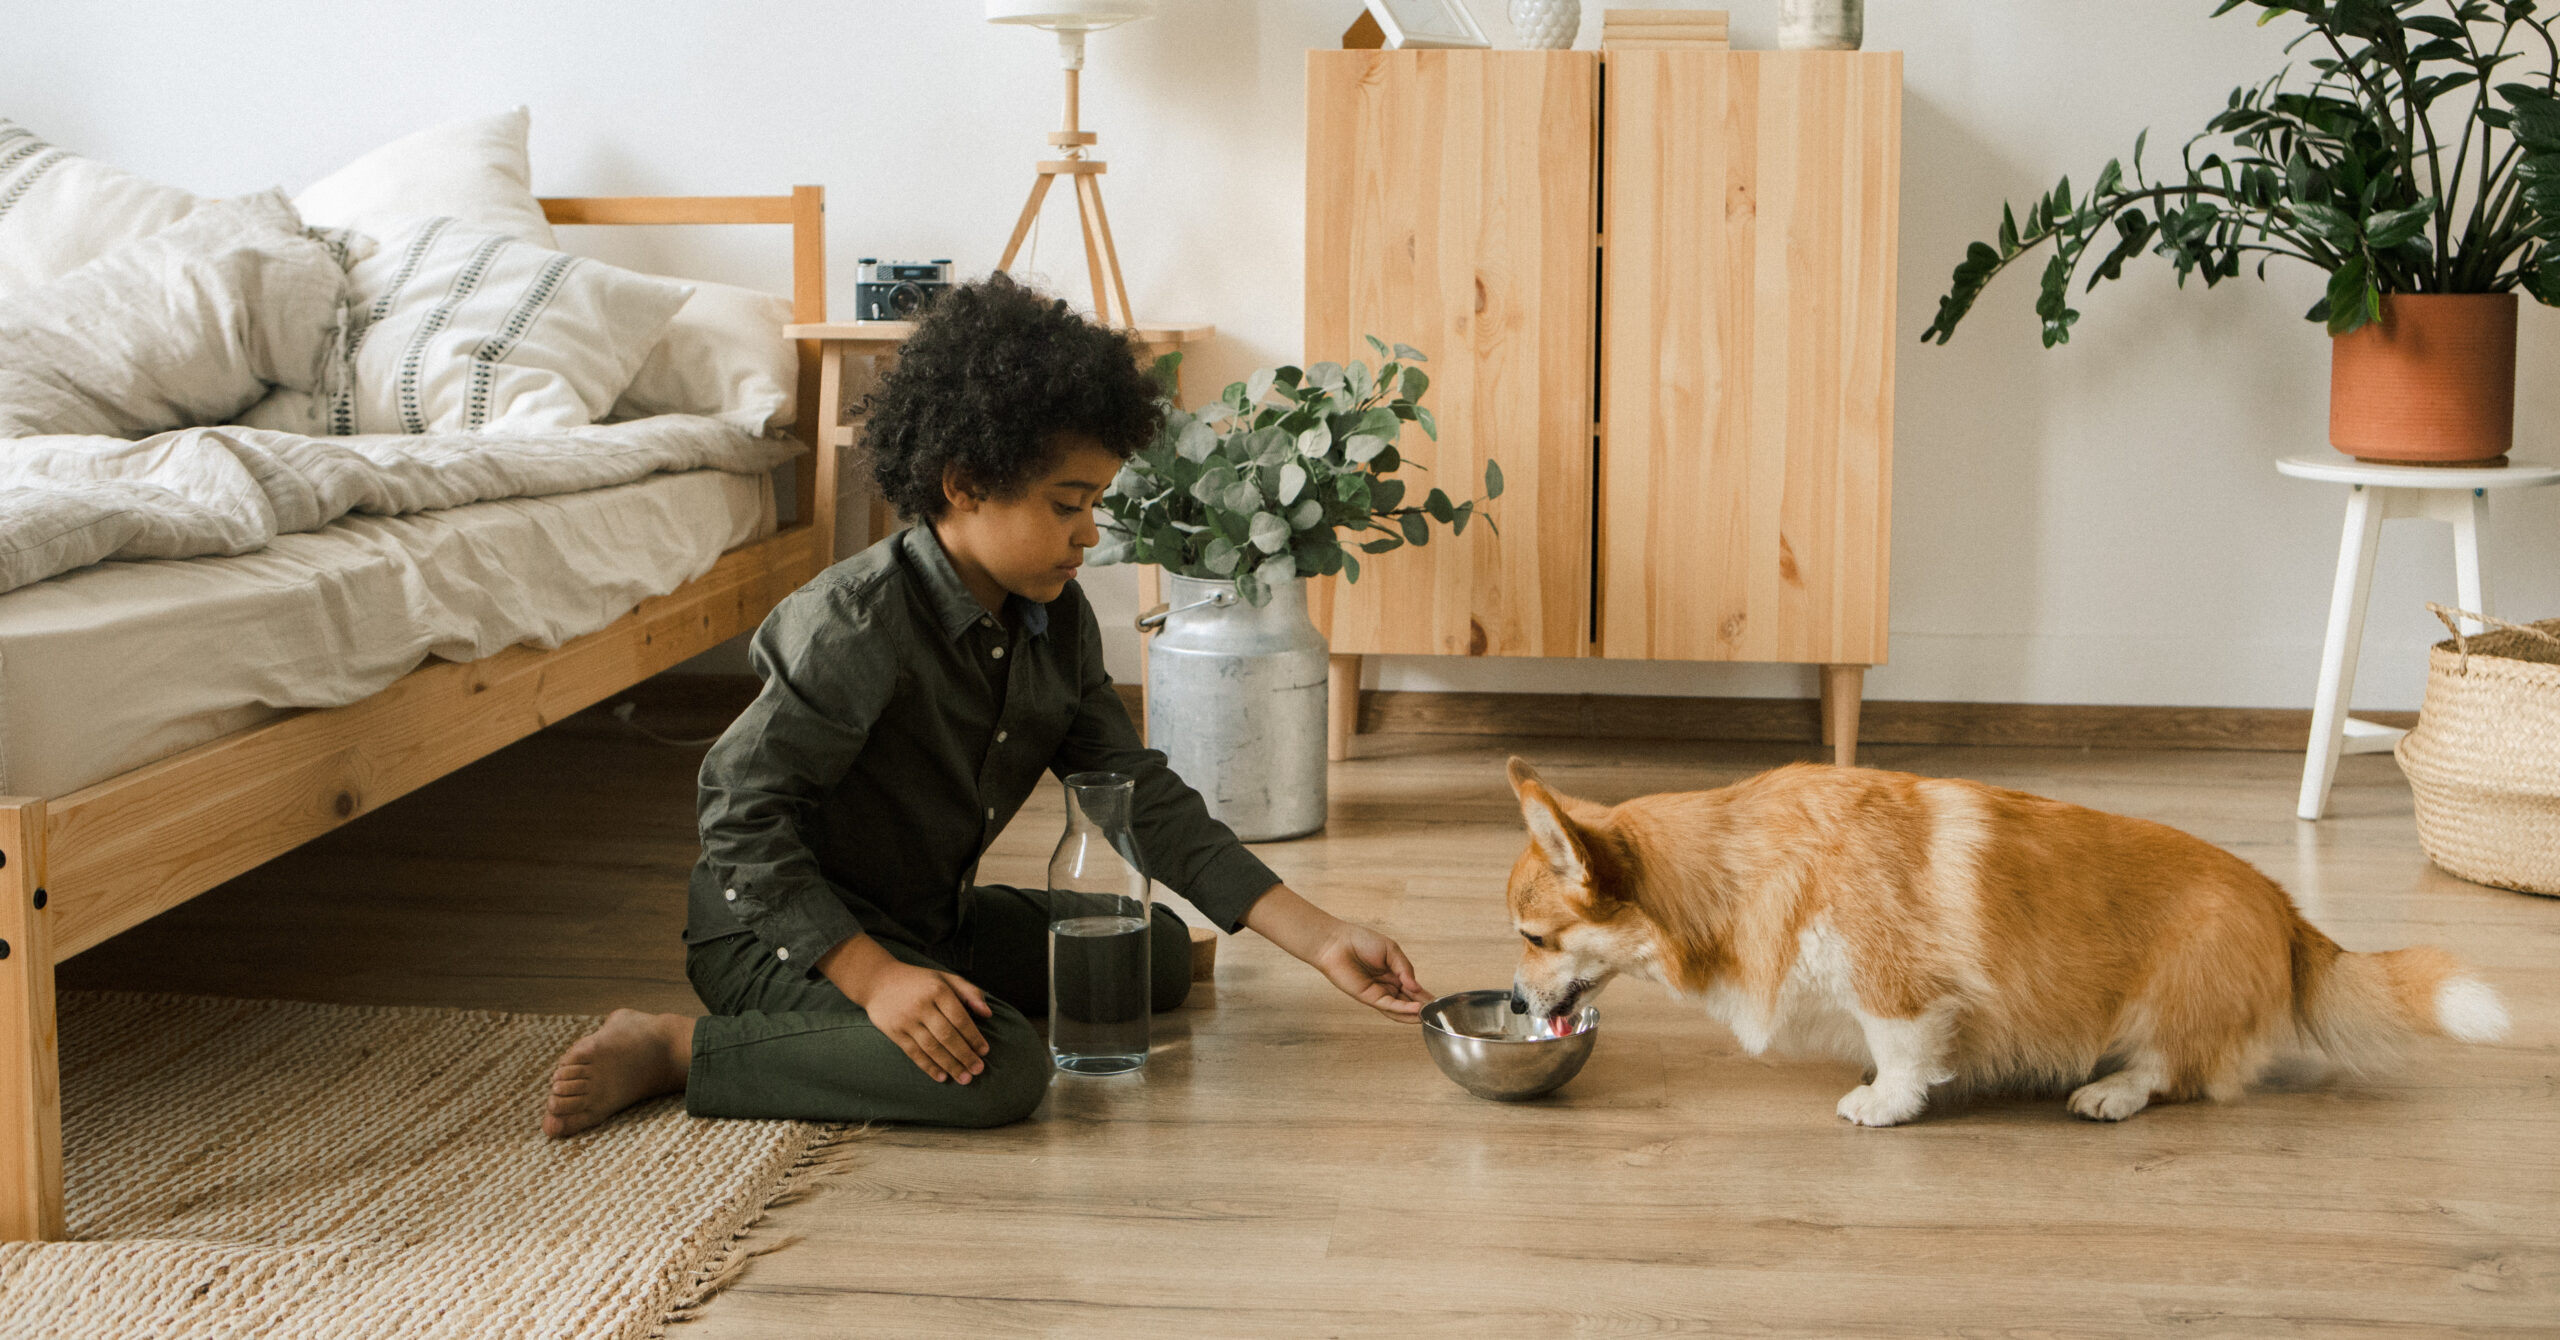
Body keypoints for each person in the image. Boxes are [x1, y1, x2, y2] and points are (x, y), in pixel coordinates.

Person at [542, 273, 1432, 1135]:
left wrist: (1319, 939)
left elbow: (1131, 789)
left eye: (1097, 504)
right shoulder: (854, 625)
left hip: (930, 919)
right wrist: (876, 978)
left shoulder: (1056, 615)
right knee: (1001, 1072)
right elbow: (738, 818)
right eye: (1068, 505)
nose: (1090, 533)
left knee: (1151, 949)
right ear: (964, 485)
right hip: (780, 934)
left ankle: (925, 993)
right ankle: (678, 1048)